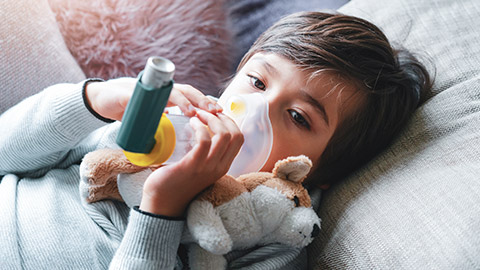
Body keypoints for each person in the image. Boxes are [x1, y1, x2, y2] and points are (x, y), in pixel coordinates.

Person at [0, 11, 431, 269]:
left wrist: (161, 212)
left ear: (322, 172)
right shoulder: (157, 123)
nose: (253, 111)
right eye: (257, 81)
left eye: (298, 116)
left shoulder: (273, 241)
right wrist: (96, 100)